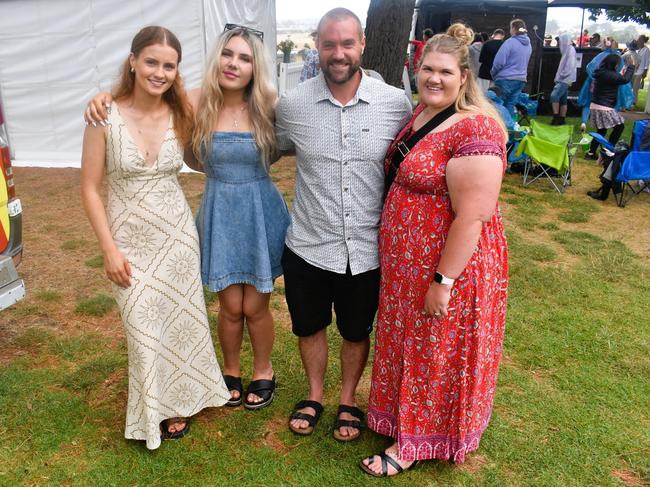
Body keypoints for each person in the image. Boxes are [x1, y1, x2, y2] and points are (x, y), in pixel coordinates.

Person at [84, 25, 290, 411]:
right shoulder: (195, 101)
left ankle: (264, 369)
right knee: (230, 306)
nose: (234, 64)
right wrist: (103, 98)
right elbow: (145, 97)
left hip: (259, 212)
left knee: (256, 306)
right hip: (219, 211)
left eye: (244, 58)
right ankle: (229, 370)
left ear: (255, 66)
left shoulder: (269, 104)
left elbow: (299, 138)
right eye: (228, 54)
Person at [360, 23, 509, 477]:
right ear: (415, 69)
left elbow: (472, 216)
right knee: (410, 344)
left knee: (433, 349)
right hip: (407, 264)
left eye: (445, 71)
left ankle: (413, 444)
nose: (434, 78)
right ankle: (399, 419)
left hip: (448, 265)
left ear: (464, 77)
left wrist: (443, 281)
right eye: (427, 68)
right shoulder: (420, 113)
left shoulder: (477, 127)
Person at [80, 26, 229, 450]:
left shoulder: (182, 108)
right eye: (151, 62)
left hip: (175, 234)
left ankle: (179, 401)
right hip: (128, 238)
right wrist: (108, 249)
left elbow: (228, 81)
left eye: (169, 65)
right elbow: (90, 187)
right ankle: (150, 409)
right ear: (132, 61)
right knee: (142, 321)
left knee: (180, 321)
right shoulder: (102, 114)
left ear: (178, 71)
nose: (159, 72)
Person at [276, 7, 412, 441]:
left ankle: (349, 399)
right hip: (309, 245)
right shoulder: (291, 105)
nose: (338, 53)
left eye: (347, 43)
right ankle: (314, 395)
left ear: (362, 45)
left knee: (357, 330)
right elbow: (258, 141)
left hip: (368, 250)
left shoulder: (395, 103)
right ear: (317, 45)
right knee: (309, 326)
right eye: (329, 44)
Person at [585, 53, 635, 163]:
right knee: (619, 127)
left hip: (597, 105)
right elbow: (625, 79)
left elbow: (619, 78)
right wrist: (631, 66)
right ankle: (608, 151)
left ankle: (591, 153)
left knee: (601, 130)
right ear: (614, 64)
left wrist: (622, 73)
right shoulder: (609, 74)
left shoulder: (601, 72)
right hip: (604, 106)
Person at [577, 37, 634, 132]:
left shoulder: (600, 56)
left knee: (588, 103)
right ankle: (607, 124)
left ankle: (584, 122)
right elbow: (622, 75)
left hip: (595, 85)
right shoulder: (617, 57)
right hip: (611, 86)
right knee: (610, 106)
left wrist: (595, 78)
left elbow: (590, 67)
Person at [490, 19, 532, 115]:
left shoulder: (510, 42)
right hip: (521, 80)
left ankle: (498, 127)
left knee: (498, 105)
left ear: (513, 28)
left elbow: (499, 62)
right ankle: (509, 127)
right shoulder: (528, 45)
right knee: (510, 105)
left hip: (505, 79)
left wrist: (493, 73)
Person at [550, 33, 577, 125]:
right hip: (565, 78)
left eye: (559, 41)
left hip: (565, 79)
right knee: (563, 99)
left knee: (554, 96)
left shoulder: (570, 50)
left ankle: (556, 118)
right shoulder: (567, 50)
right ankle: (562, 119)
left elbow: (569, 66)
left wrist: (561, 75)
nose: (558, 44)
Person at [477, 28, 505, 93]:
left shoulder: (486, 44)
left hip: (484, 73)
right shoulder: (505, 45)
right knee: (494, 96)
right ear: (503, 36)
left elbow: (481, 59)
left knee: (481, 94)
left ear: (494, 34)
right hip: (498, 74)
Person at [632, 35, 649, 103]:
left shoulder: (646, 50)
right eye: (638, 39)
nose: (638, 41)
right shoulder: (637, 49)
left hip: (640, 71)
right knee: (632, 87)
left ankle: (634, 102)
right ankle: (630, 101)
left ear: (643, 41)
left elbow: (647, 62)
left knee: (635, 88)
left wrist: (645, 71)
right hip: (634, 71)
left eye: (639, 39)